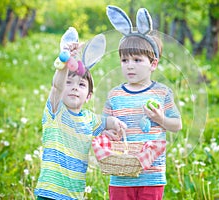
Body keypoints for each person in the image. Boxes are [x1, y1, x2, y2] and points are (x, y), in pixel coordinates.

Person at [34, 29, 126, 200]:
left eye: (82, 84)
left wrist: (117, 125)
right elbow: (57, 86)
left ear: (89, 96)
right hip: (49, 192)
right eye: (69, 82)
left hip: (75, 195)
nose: (75, 87)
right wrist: (66, 59)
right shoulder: (56, 110)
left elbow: (107, 122)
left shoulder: (90, 119)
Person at [103, 6, 182, 200]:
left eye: (137, 60)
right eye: (124, 60)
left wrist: (160, 118)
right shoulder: (115, 95)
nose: (130, 65)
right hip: (121, 175)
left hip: (152, 175)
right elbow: (103, 125)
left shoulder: (161, 93)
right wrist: (108, 131)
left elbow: (177, 125)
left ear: (153, 64)